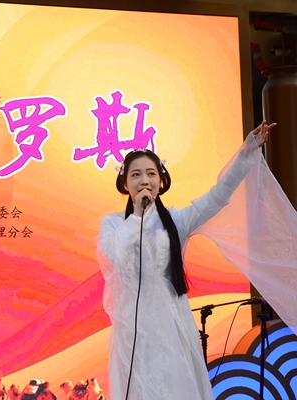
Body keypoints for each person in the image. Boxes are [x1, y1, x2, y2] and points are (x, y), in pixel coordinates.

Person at [97, 121, 276, 400]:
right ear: (125, 183)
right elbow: (113, 257)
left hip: (171, 322)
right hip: (131, 327)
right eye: (136, 174)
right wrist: (138, 217)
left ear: (160, 181)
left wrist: (245, 154)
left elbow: (217, 197)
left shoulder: (177, 221)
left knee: (174, 386)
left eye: (151, 173)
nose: (144, 180)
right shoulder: (112, 224)